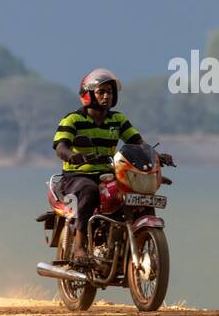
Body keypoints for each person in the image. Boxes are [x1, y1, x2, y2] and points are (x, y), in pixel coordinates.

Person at [52, 68, 173, 264]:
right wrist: (71, 155)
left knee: (137, 194)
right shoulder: (73, 119)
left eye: (109, 92)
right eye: (101, 92)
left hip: (110, 173)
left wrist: (156, 156)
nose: (106, 96)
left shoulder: (118, 120)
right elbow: (60, 146)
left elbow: (137, 143)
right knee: (89, 191)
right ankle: (80, 246)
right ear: (88, 94)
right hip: (77, 176)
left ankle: (128, 243)